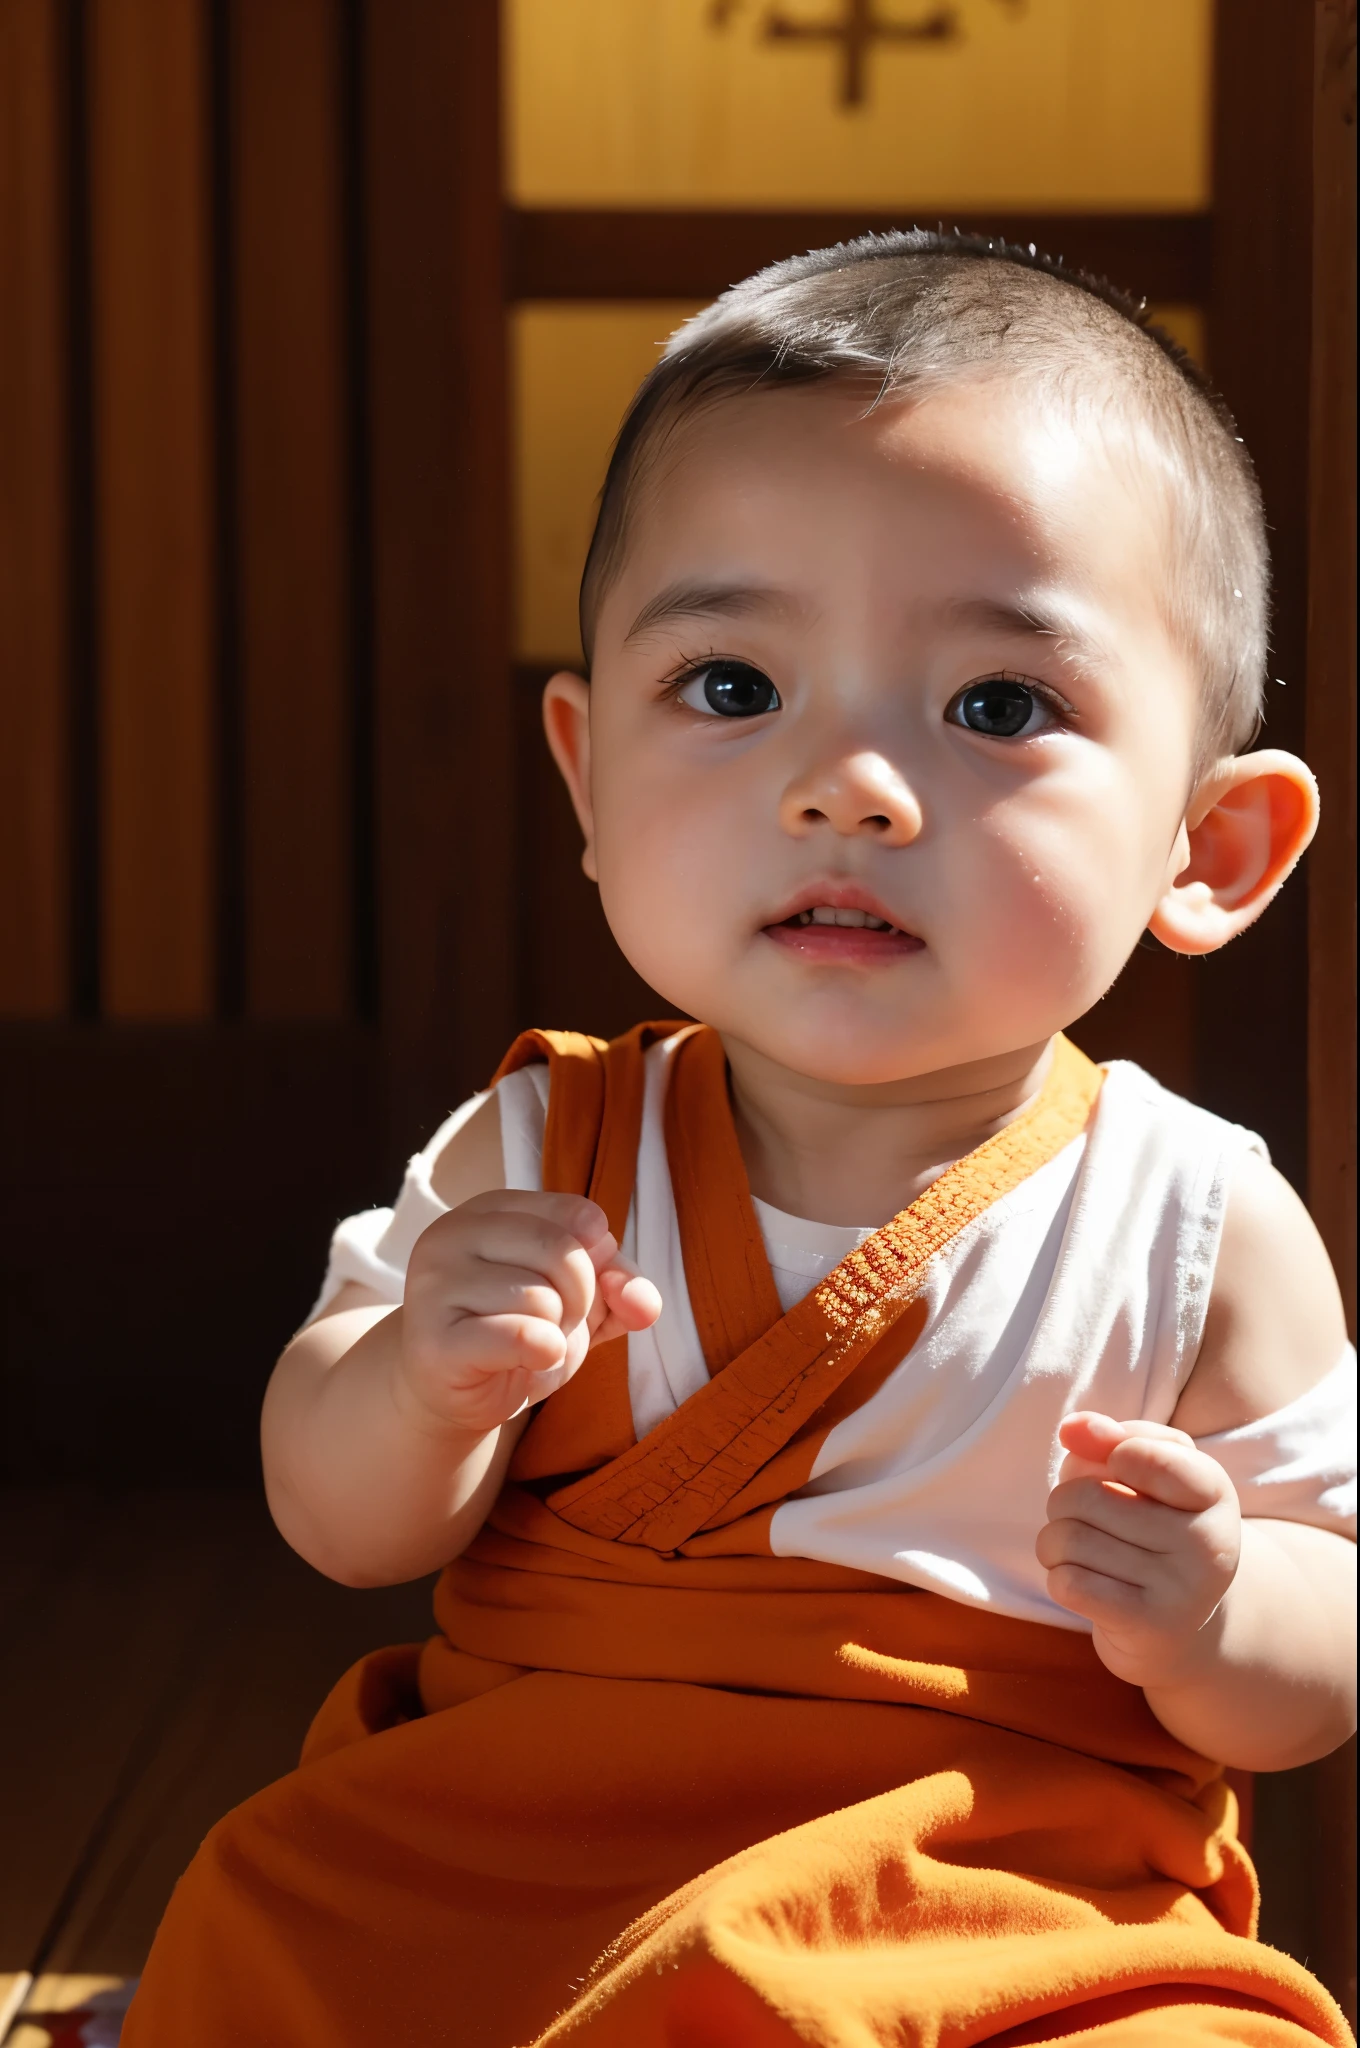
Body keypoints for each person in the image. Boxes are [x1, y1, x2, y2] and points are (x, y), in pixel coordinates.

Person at [124, 232, 1357, 2048]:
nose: (841, 784)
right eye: (728, 686)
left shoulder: (1198, 1222)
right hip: (531, 1850)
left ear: (1211, 847)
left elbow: (1320, 1663)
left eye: (995, 707)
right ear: (587, 775)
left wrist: (1221, 1604)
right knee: (286, 1906)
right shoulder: (542, 1143)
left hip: (985, 1891)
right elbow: (339, 1518)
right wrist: (419, 1388)